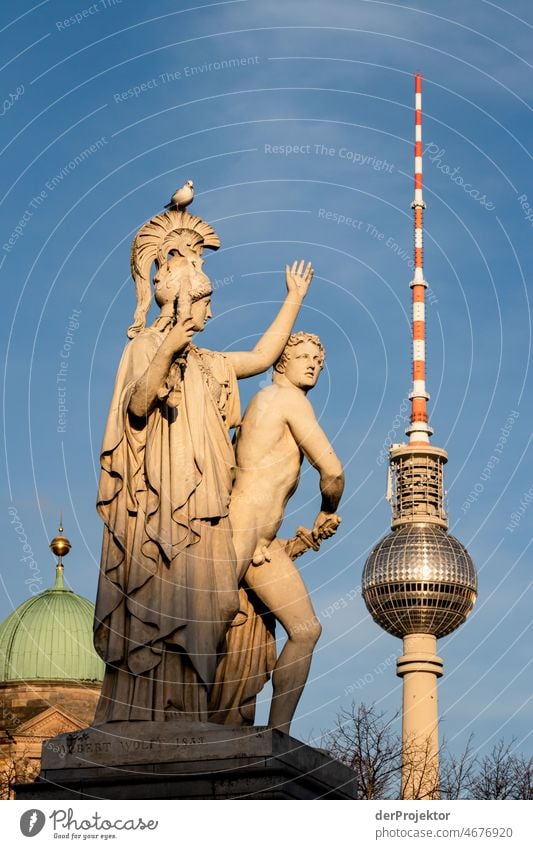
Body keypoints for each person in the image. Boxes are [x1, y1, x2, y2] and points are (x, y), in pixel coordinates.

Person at [93, 206, 313, 724]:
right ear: (184, 299)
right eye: (204, 301)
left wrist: (294, 300)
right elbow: (138, 404)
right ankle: (152, 714)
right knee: (167, 603)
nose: (209, 313)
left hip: (207, 508)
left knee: (211, 610)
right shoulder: (148, 345)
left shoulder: (210, 362)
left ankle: (196, 715)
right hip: (161, 506)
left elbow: (262, 357)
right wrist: (170, 339)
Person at [210, 332, 344, 733]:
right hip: (241, 528)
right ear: (280, 362)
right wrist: (327, 510)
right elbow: (333, 471)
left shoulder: (265, 401)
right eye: (303, 356)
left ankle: (276, 736)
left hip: (262, 542)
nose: (312, 365)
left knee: (306, 630)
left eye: (318, 361)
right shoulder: (285, 399)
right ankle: (185, 715)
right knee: (208, 624)